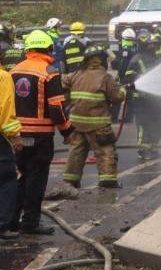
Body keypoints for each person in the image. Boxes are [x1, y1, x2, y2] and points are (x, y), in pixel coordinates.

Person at [10, 30, 73, 235]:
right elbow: (56, 108)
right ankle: (30, 223)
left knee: (22, 176)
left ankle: (11, 220)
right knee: (36, 180)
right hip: (40, 136)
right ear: (48, 48)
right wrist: (67, 131)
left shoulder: (14, 70)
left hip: (16, 135)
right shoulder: (49, 72)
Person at [62, 45, 125, 189]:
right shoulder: (105, 77)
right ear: (102, 59)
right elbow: (117, 97)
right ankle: (108, 180)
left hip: (76, 124)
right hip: (98, 125)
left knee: (76, 152)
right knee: (105, 150)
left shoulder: (76, 74)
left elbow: (63, 82)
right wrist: (122, 89)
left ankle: (71, 180)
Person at [123, 30, 161, 160]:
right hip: (142, 100)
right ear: (143, 45)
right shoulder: (136, 60)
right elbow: (128, 80)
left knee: (158, 124)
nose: (153, 46)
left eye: (153, 44)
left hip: (156, 99)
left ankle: (152, 149)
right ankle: (143, 150)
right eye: (149, 44)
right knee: (144, 125)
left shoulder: (155, 58)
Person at [0, 61, 21, 240]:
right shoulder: (3, 77)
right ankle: (2, 225)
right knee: (6, 179)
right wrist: (15, 135)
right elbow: (6, 110)